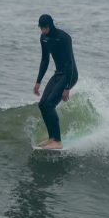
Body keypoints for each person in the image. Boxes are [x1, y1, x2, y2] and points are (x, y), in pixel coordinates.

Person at [33, 14, 78, 149]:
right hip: (58, 74)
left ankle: (57, 141)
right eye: (41, 28)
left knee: (50, 105)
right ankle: (52, 138)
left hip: (69, 74)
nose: (43, 31)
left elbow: (70, 63)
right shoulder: (44, 38)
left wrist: (67, 87)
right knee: (42, 104)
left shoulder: (64, 38)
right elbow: (45, 60)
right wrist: (38, 82)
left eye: (45, 28)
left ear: (51, 25)